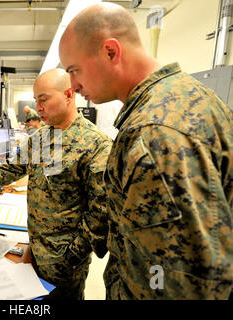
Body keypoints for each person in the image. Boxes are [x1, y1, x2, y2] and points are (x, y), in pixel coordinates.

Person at [59, 3, 232, 299]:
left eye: (74, 71)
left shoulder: (154, 133)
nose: (72, 86)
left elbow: (177, 283)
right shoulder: (188, 96)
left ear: (110, 52)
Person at [0, 68, 112, 299]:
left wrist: (71, 256)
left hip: (64, 263)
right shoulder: (44, 135)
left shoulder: (96, 145)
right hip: (35, 248)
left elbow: (101, 214)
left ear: (69, 94)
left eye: (44, 99)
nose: (38, 107)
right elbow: (12, 169)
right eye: (36, 100)